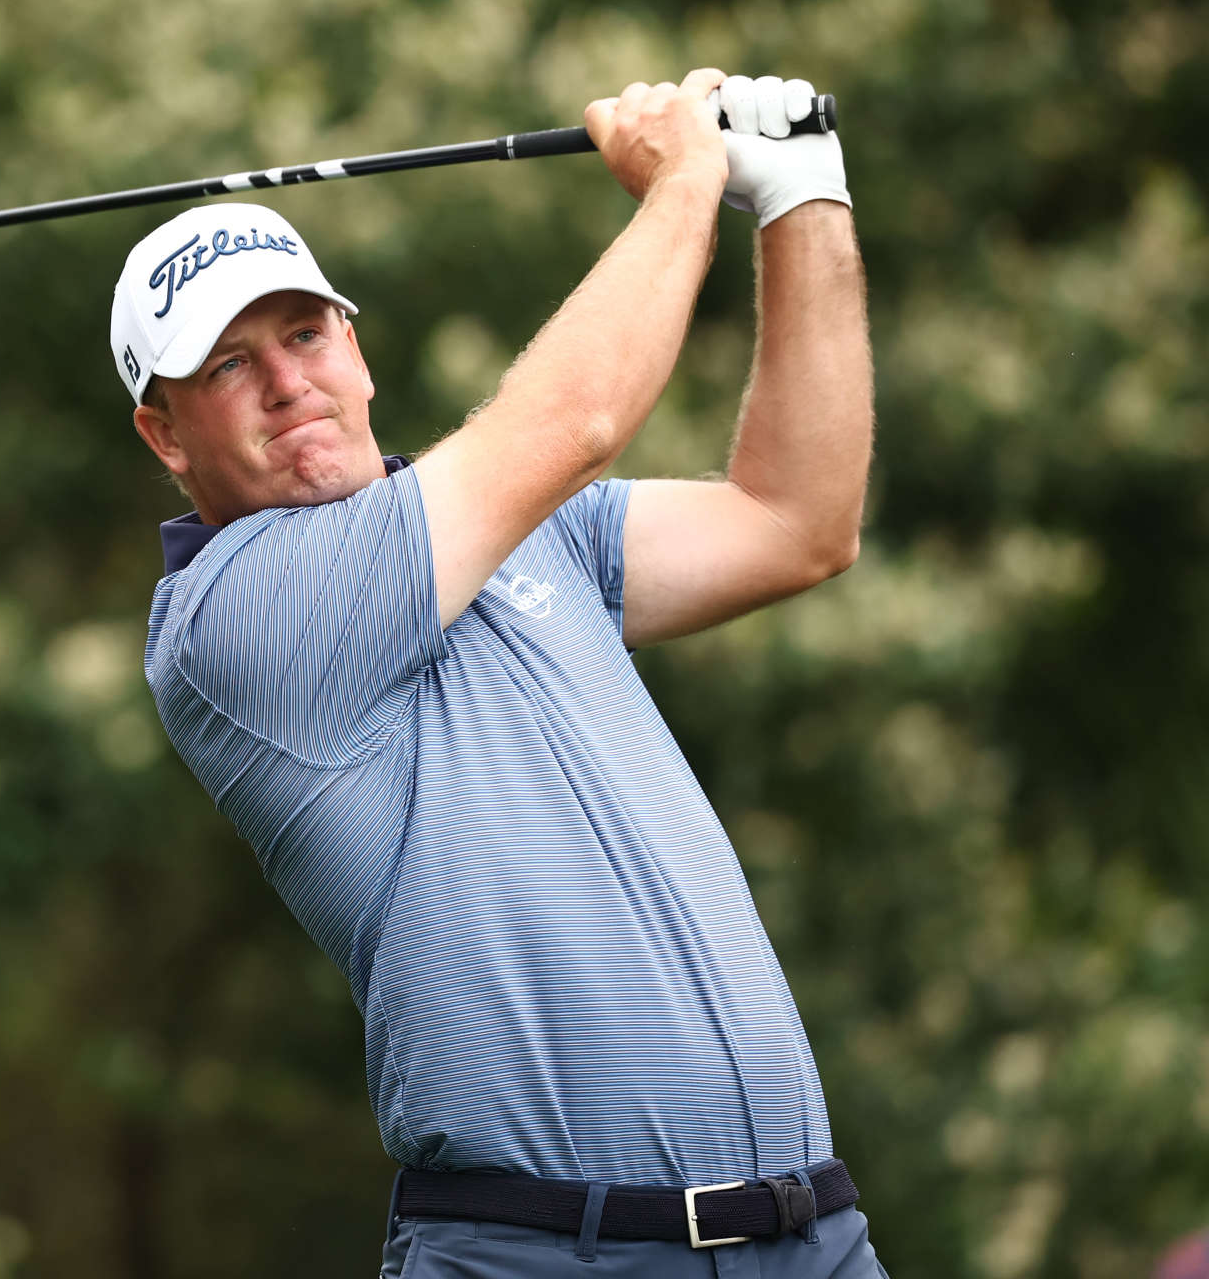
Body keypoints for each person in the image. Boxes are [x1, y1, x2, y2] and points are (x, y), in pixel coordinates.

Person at [111, 68, 882, 1277]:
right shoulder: (231, 621)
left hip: (814, 1237)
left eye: (304, 332)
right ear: (166, 434)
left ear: (355, 349)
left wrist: (801, 200)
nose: (286, 382)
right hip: (545, 1253)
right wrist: (686, 180)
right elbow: (569, 424)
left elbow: (799, 519)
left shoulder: (529, 536)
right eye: (225, 366)